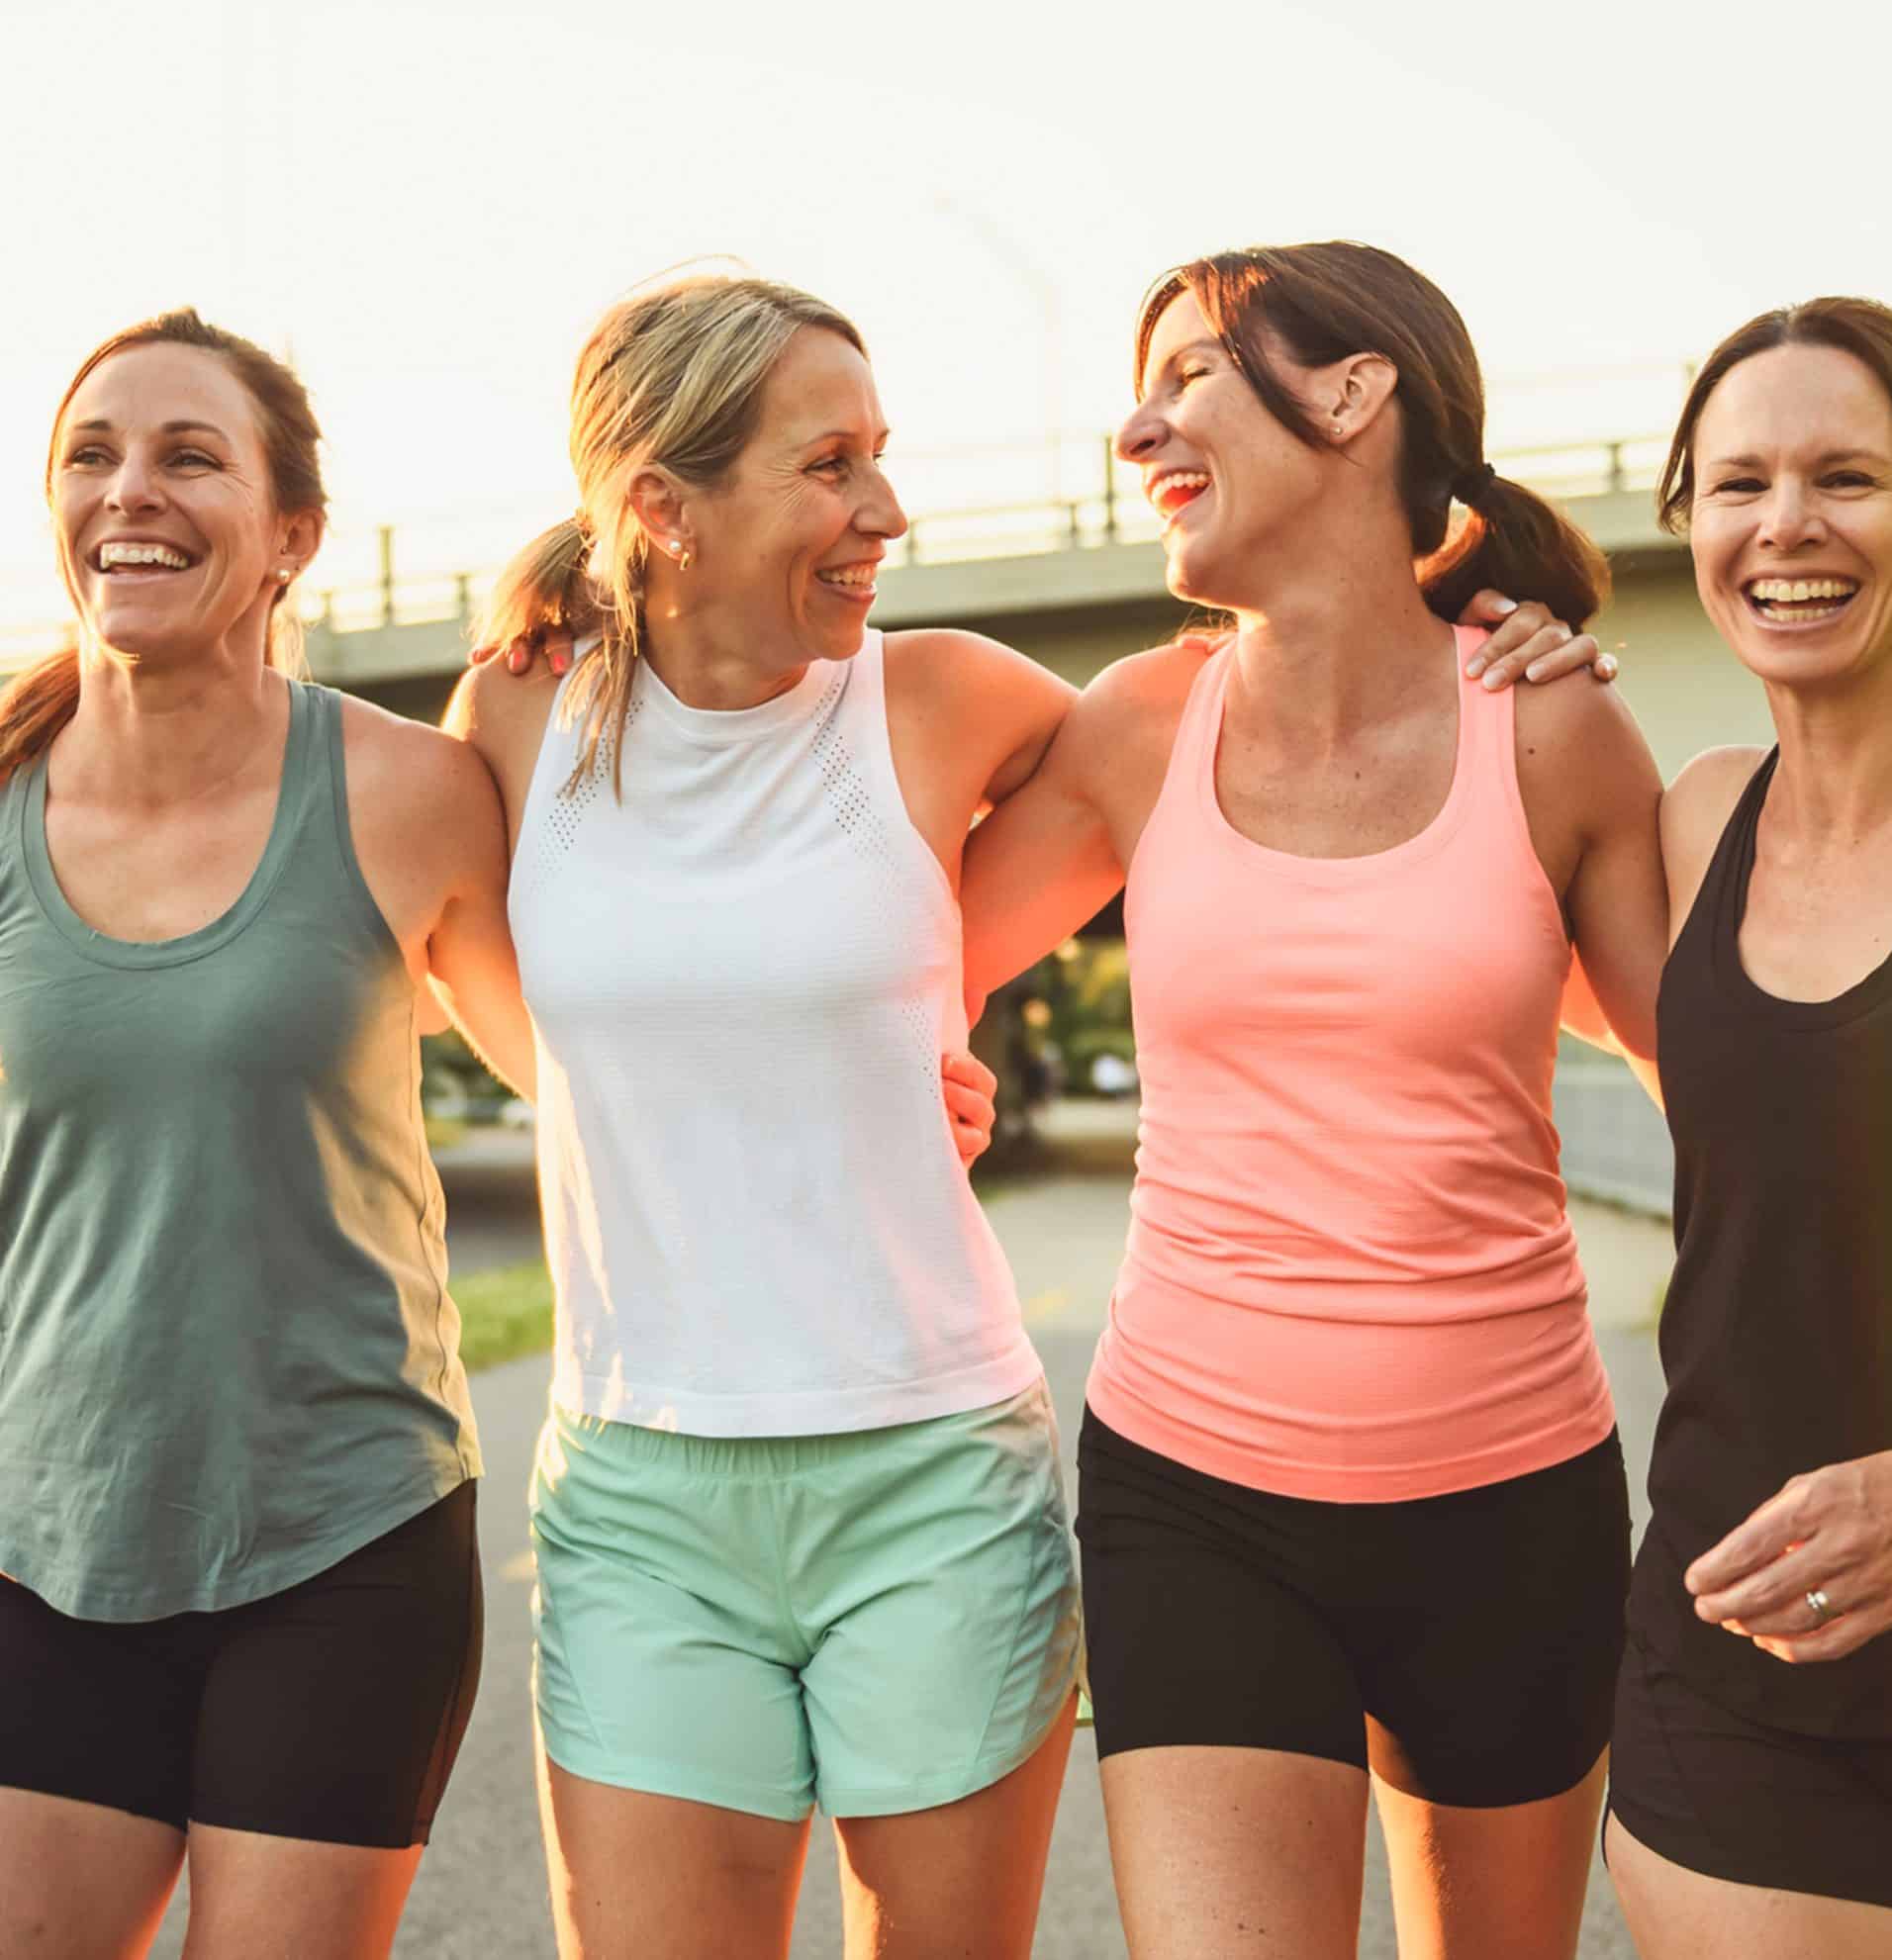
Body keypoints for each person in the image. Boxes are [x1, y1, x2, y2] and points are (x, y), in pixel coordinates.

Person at [462, 268, 1604, 1960]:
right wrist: (822, 1076)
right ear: (660, 504)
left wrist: (1500, 636)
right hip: (752, 1483)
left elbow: (1289, 822)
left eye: (880, 455)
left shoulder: (969, 700)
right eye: (830, 462)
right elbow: (561, 1006)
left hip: (1015, 1464)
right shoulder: (516, 715)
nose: (885, 511)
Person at [957, 239, 1668, 1959]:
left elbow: (1728, 1084)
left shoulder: (1553, 731)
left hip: (1515, 1505)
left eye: (1189, 370)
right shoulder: (1140, 728)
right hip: (1196, 1497)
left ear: (1356, 396)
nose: (1140, 429)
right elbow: (891, 953)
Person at [0, 310, 531, 1960]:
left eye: (187, 455)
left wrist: (895, 1069)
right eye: (91, 452)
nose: (128, 490)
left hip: (342, 1534)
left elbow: (589, 1070)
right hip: (44, 1535)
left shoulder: (411, 794)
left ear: (292, 534)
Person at [1602, 299, 1892, 1960]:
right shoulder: (1697, 820)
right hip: (1742, 1676)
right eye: (1736, 484)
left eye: (1845, 475)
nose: (1785, 524)